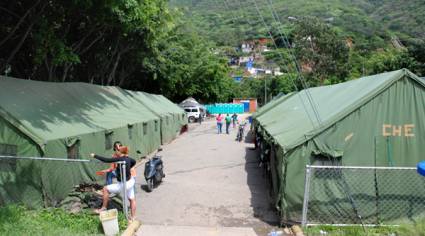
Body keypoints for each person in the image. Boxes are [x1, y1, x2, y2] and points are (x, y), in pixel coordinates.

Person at [91, 146, 136, 221]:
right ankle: (133, 217)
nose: (116, 151)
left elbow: (106, 160)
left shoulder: (120, 159)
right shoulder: (128, 158)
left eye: (118, 150)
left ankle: (103, 208)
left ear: (120, 152)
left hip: (124, 184)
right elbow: (134, 161)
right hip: (131, 181)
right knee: (132, 199)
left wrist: (95, 156)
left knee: (105, 189)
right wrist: (128, 167)